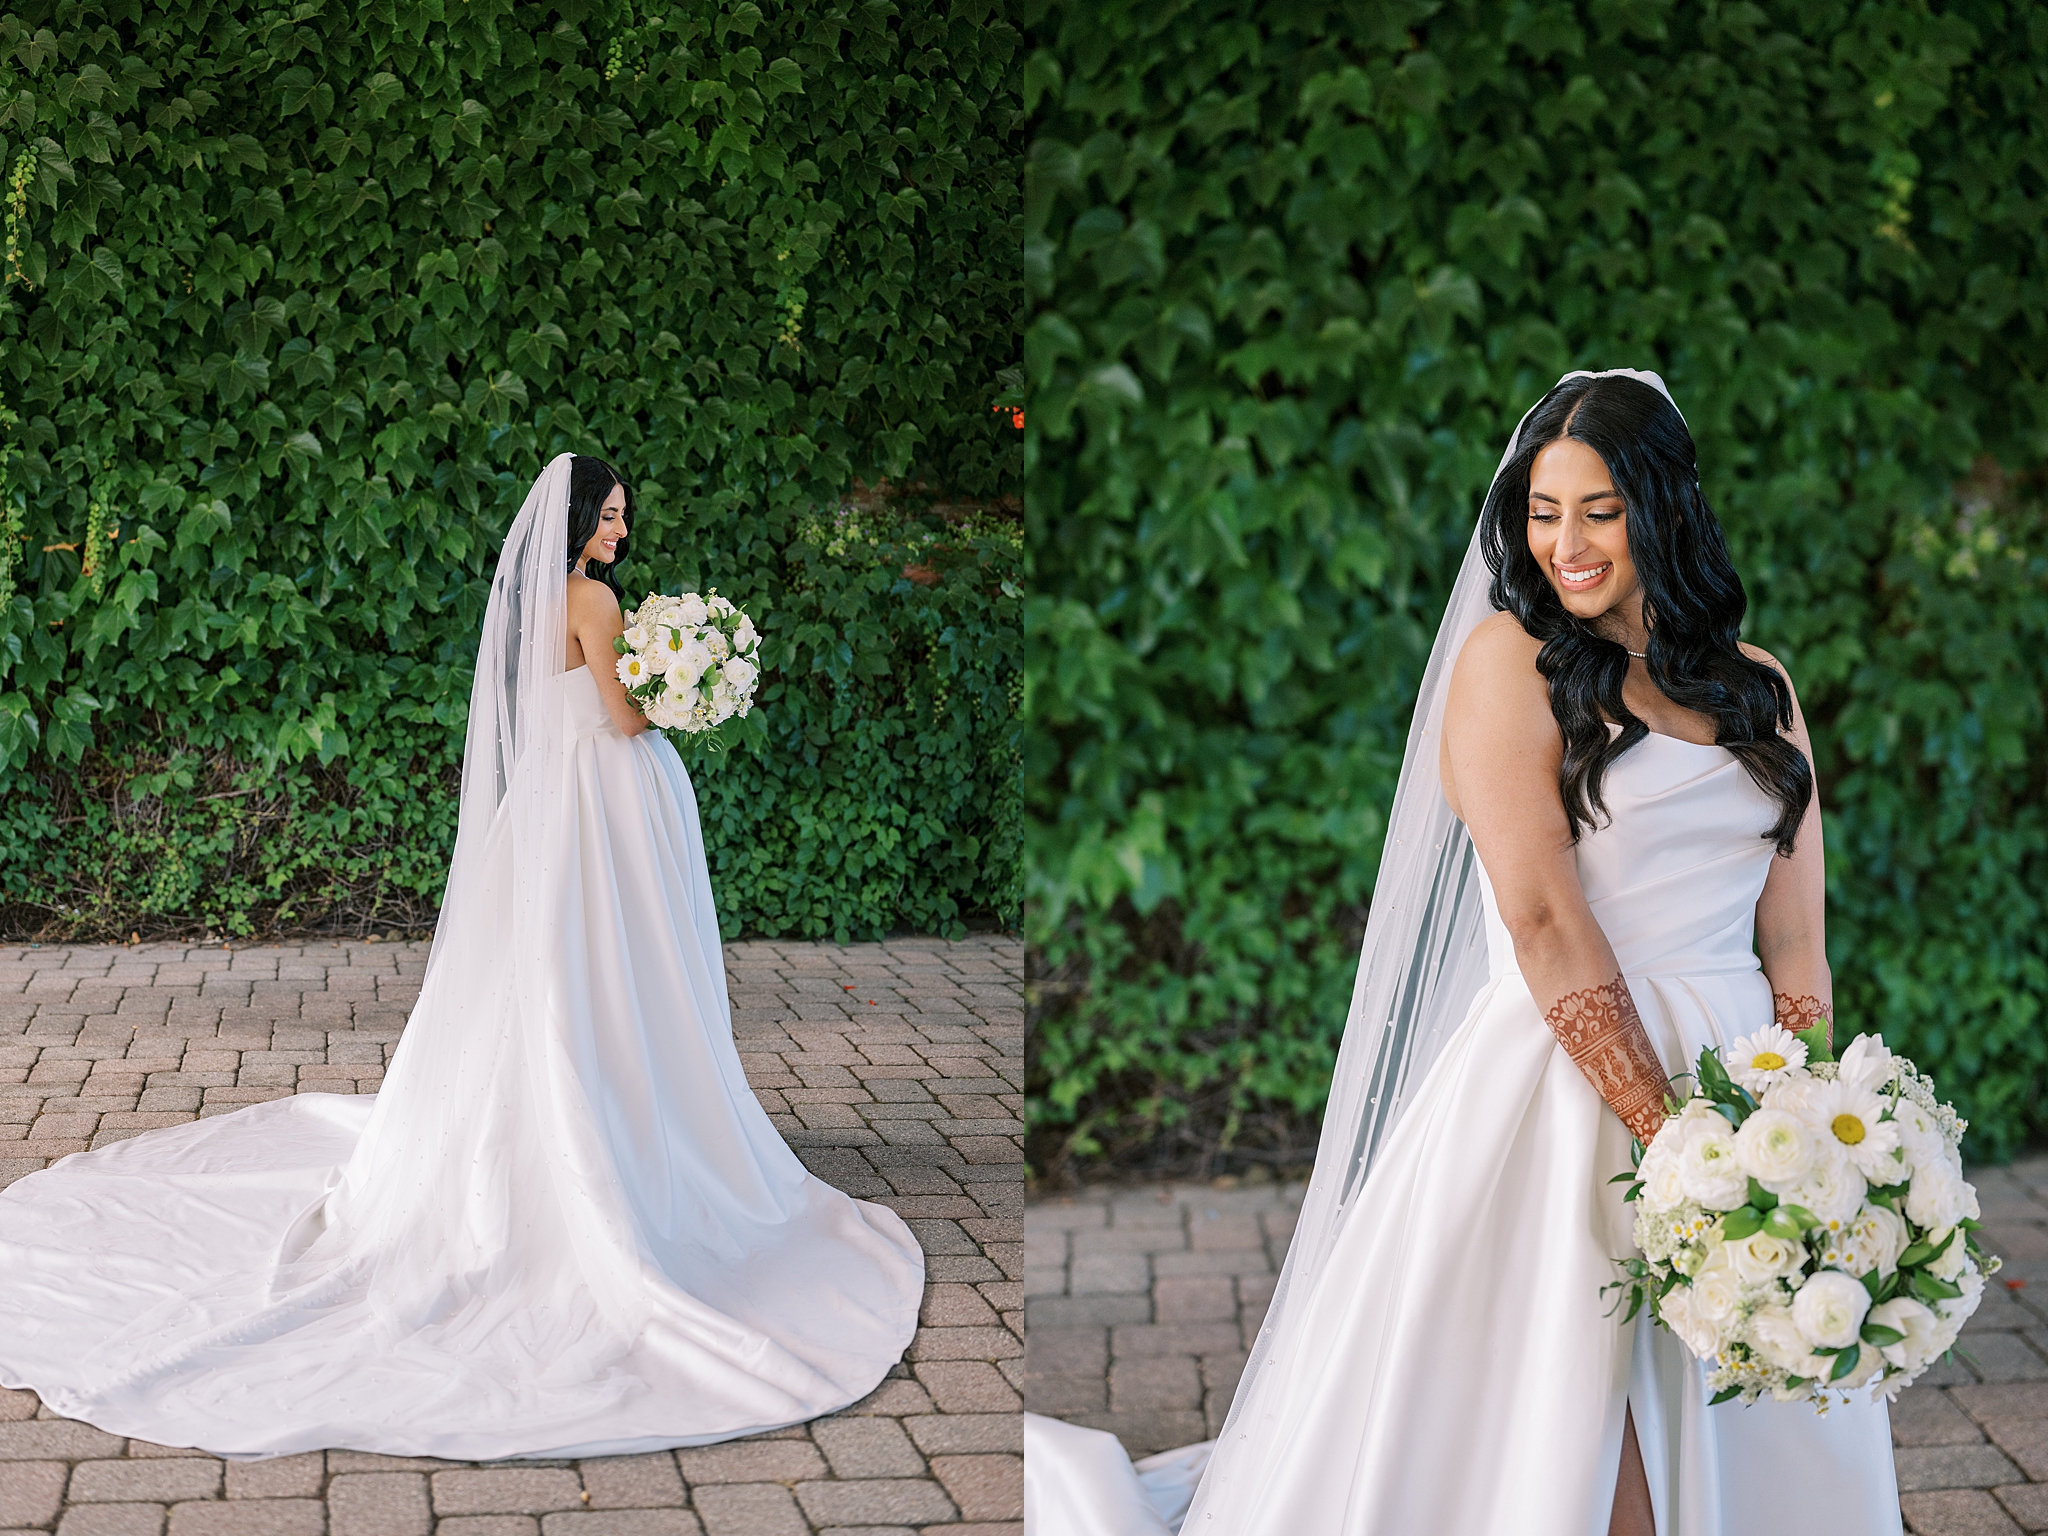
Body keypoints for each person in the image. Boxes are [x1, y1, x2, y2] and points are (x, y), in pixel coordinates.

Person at [1028, 371, 1901, 1535]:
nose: (1565, 543)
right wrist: (1677, 1143)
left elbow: (1795, 930)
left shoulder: (1760, 685)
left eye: (1598, 508)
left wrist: (1794, 1129)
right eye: (1543, 512)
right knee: (1577, 1420)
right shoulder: (1508, 664)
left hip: (1743, 1077)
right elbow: (1541, 919)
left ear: (1666, 505)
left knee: (1757, 1396)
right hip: (1566, 1083)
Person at [0, 452, 925, 1460]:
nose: (618, 532)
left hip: (548, 805)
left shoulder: (534, 603)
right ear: (575, 522)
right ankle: (616, 1125)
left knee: (548, 976)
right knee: (615, 971)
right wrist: (686, 689)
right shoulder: (597, 601)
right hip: (605, 802)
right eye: (608, 517)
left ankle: (563, 1115)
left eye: (621, 518)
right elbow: (619, 717)